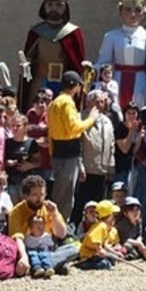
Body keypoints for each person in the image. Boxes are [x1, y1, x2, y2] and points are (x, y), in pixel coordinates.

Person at [19, 0, 87, 110]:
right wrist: (26, 66)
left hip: (64, 84)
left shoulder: (73, 33)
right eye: (50, 5)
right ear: (44, 7)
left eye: (58, 5)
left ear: (65, 8)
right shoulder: (36, 32)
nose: (53, 8)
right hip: (40, 82)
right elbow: (29, 57)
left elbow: (77, 63)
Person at [96, 0, 146, 110]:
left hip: (140, 83)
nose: (132, 14)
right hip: (117, 81)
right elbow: (103, 63)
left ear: (143, 14)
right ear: (121, 12)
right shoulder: (111, 36)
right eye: (128, 10)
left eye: (137, 10)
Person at [47, 71, 99, 221]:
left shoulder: (54, 103)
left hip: (58, 152)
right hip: (68, 154)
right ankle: (60, 228)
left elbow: (51, 132)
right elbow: (74, 128)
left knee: (60, 193)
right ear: (74, 86)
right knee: (65, 197)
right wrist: (91, 119)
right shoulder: (67, 102)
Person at [7, 175, 77, 277]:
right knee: (26, 254)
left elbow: (61, 234)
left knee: (74, 248)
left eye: (42, 194)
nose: (39, 198)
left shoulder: (49, 208)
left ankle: (40, 266)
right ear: (26, 195)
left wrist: (54, 214)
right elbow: (17, 238)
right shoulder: (17, 212)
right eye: (35, 194)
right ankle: (51, 265)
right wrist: (23, 257)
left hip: (48, 249)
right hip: (29, 249)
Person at [77, 90, 115, 214]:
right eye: (97, 101)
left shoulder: (107, 121)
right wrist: (80, 165)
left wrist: (111, 167)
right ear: (88, 102)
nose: (100, 104)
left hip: (102, 171)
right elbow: (78, 144)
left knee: (99, 206)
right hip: (86, 171)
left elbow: (111, 145)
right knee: (82, 204)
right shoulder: (80, 118)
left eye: (103, 102)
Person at [78, 200, 120, 270]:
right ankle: (84, 265)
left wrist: (113, 252)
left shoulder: (104, 226)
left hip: (95, 254)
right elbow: (94, 239)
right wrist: (99, 249)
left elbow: (104, 243)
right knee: (105, 265)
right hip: (88, 255)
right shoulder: (101, 226)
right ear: (109, 215)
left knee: (112, 259)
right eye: (113, 215)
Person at [116, 196, 146, 261]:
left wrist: (139, 242)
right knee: (128, 246)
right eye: (131, 210)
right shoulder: (122, 223)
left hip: (135, 242)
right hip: (123, 244)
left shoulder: (139, 221)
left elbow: (139, 235)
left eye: (137, 210)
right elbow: (126, 239)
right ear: (125, 213)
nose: (135, 212)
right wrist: (138, 244)